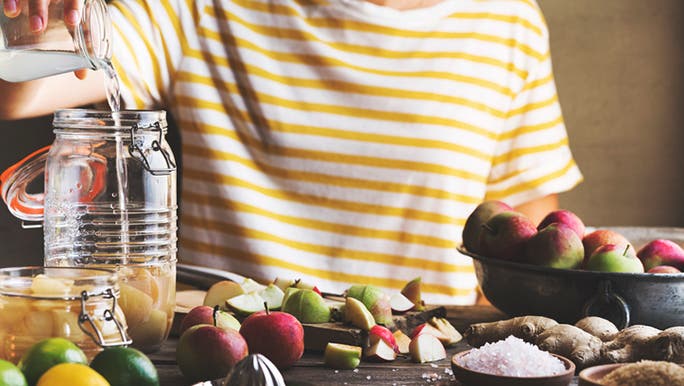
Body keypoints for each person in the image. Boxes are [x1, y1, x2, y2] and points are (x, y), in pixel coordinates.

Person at [0, 0, 582, 304]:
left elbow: (520, 256)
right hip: (220, 356)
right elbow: (25, 84)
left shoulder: (510, 23)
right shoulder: (201, 8)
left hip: (421, 361)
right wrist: (28, 18)